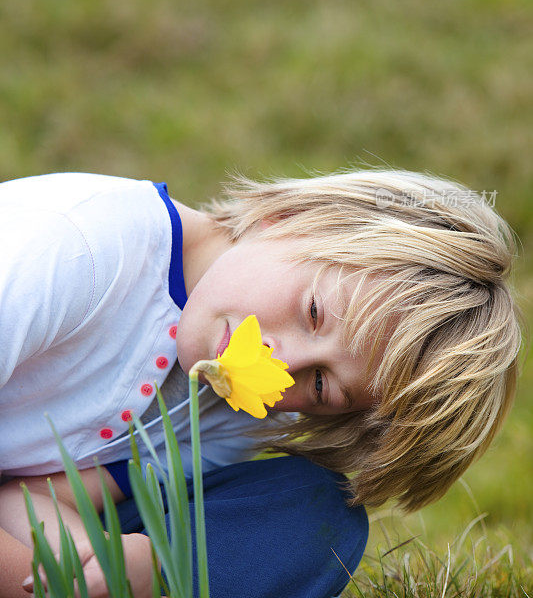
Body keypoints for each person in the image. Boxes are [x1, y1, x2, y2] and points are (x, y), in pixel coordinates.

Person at [0, 168, 524, 596]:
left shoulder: (245, 417)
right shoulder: (84, 247)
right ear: (289, 220)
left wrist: (100, 561)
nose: (284, 360)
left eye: (321, 385)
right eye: (314, 311)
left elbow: (27, 497)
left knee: (318, 515)